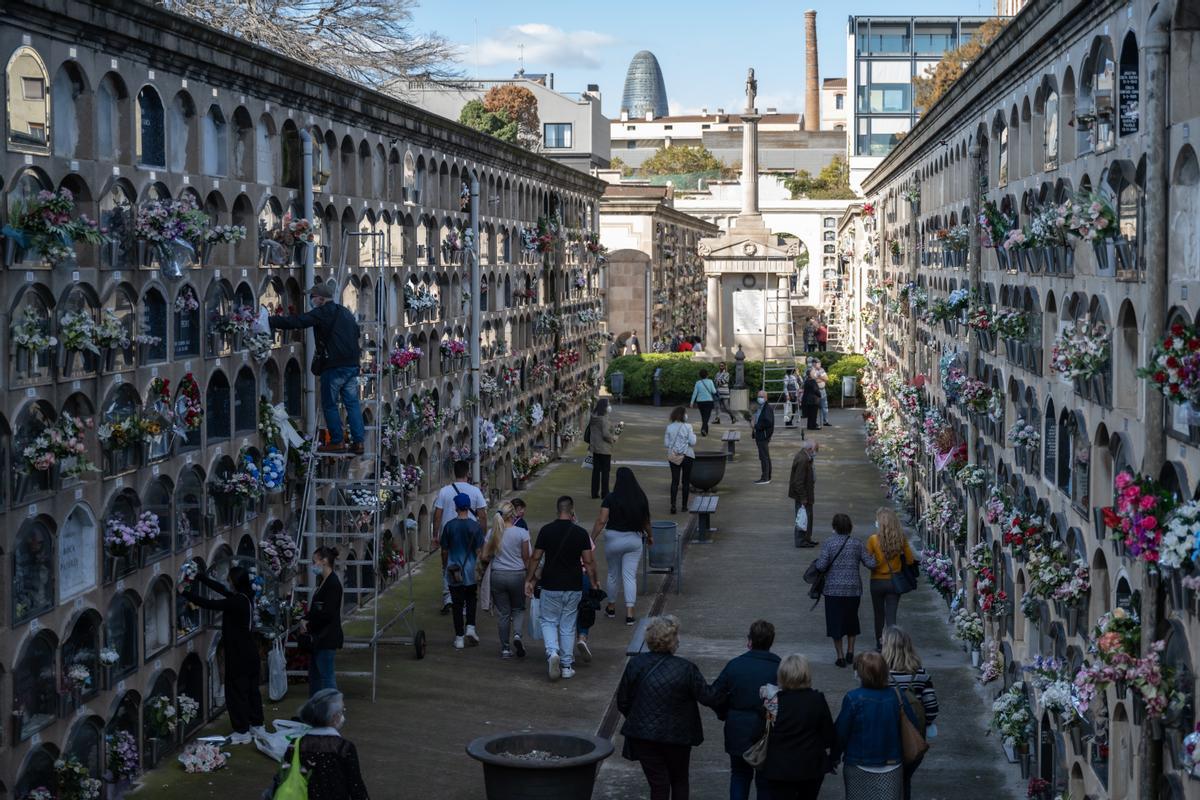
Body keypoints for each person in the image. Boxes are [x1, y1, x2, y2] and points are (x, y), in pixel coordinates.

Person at [616, 615, 723, 800]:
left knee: (658, 784)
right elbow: (708, 696)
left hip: (644, 736)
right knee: (679, 779)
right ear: (673, 640)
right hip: (677, 736)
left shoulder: (636, 664)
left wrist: (640, 719)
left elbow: (623, 701)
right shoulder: (686, 668)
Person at [268, 281, 364, 455]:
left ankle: (337, 441)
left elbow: (299, 322)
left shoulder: (322, 313)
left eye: (312, 298)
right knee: (352, 404)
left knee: (329, 404)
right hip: (352, 365)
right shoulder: (345, 312)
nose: (311, 301)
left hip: (334, 366)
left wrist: (270, 320)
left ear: (320, 298)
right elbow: (356, 333)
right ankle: (358, 443)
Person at [181, 565, 264, 743]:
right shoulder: (245, 596)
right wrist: (200, 577)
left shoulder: (236, 602)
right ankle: (256, 724)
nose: (228, 582)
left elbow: (210, 604)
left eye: (229, 580)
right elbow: (221, 590)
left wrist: (184, 592)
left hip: (239, 655)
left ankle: (242, 731)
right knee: (251, 690)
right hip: (250, 653)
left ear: (235, 582)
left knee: (236, 692)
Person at [525, 496, 598, 681]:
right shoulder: (581, 533)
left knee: (548, 621)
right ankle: (566, 666)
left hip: (551, 584)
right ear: (572, 511)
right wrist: (593, 582)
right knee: (567, 624)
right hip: (573, 585)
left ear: (558, 511)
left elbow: (535, 557)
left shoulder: (546, 531)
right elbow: (588, 561)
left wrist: (529, 579)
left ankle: (552, 652)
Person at [711, 620, 781, 800]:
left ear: (750, 640)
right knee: (765, 781)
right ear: (771, 641)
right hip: (768, 730)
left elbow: (714, 694)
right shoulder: (779, 667)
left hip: (738, 727)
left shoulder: (735, 665)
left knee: (740, 775)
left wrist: (725, 712)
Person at [835, 652, 919, 799]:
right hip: (892, 764)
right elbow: (913, 726)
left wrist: (834, 757)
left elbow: (840, 733)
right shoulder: (897, 696)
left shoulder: (853, 698)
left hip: (858, 764)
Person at [265, 689, 369, 800]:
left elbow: (282, 777)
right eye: (342, 711)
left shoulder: (297, 744)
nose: (342, 715)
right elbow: (356, 786)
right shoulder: (344, 747)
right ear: (334, 717)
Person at [759, 654, 836, 800]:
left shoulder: (773, 703)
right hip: (810, 767)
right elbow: (828, 735)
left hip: (779, 768)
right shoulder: (817, 700)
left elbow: (759, 732)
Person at [811, 513, 877, 667]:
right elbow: (871, 563)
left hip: (833, 589)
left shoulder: (829, 543)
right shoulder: (857, 543)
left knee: (835, 622)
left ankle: (840, 656)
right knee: (851, 620)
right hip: (853, 589)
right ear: (850, 527)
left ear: (834, 527)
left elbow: (821, 566)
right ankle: (850, 651)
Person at [882, 626, 939, 800]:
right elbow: (932, 709)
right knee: (905, 780)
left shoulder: (881, 675)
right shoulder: (920, 674)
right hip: (913, 738)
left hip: (885, 737)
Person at [590, 466, 652, 625]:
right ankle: (630, 613)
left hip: (614, 540)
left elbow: (601, 521)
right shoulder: (640, 497)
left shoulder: (610, 498)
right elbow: (646, 522)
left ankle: (611, 607)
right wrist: (650, 536)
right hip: (634, 540)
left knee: (612, 574)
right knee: (629, 576)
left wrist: (592, 539)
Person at [433, 460, 487, 614]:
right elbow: (482, 516)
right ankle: (463, 599)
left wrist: (435, 535)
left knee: (448, 563)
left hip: (449, 532)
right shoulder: (475, 491)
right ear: (467, 473)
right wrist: (482, 536)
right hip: (469, 532)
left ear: (454, 473)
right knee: (467, 563)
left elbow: (437, 515)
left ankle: (448, 597)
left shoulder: (444, 491)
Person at [482, 501, 530, 658]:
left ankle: (505, 648)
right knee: (518, 608)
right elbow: (526, 557)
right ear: (513, 515)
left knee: (503, 613)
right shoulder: (522, 533)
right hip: (517, 574)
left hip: (498, 575)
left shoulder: (492, 533)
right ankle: (517, 634)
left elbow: (484, 556)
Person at [866, 508, 919, 650]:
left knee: (878, 615)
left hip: (877, 581)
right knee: (891, 617)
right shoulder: (900, 538)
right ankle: (891, 645)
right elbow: (909, 560)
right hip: (894, 582)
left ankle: (879, 643)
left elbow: (868, 560)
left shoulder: (873, 540)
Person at [442, 493, 485, 649]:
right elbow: (480, 551)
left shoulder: (449, 526)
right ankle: (471, 627)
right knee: (471, 599)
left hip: (454, 571)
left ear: (455, 507)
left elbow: (445, 550)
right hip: (471, 571)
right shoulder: (475, 527)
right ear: (469, 507)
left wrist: (444, 565)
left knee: (457, 604)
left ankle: (459, 637)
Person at [303, 546, 345, 695]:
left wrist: (309, 623)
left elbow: (327, 614)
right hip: (319, 637)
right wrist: (306, 619)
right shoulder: (324, 582)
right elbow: (317, 609)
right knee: (315, 677)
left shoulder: (332, 584)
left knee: (326, 677)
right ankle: (315, 711)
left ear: (324, 561)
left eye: (315, 562)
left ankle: (333, 712)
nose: (313, 565)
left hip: (326, 638)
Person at [664, 406, 697, 515]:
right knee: (686, 481)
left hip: (673, 456)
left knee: (675, 481)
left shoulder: (669, 427)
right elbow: (692, 442)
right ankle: (684, 506)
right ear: (684, 415)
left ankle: (673, 505)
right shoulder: (688, 426)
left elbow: (666, 444)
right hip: (687, 455)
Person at [788, 440, 817, 548]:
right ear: (809, 449)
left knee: (808, 517)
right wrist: (803, 497)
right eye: (814, 450)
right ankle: (801, 540)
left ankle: (806, 538)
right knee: (802, 518)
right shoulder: (803, 460)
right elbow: (798, 481)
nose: (815, 452)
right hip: (803, 495)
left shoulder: (806, 457)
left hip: (807, 493)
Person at [588, 398, 616, 499]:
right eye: (608, 404)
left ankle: (594, 493)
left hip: (595, 447)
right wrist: (612, 439)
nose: (609, 407)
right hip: (604, 449)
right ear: (604, 406)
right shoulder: (603, 419)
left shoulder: (593, 417)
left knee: (596, 471)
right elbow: (605, 434)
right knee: (605, 471)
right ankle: (605, 493)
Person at [752, 389, 775, 485]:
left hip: (763, 435)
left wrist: (756, 426)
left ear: (766, 398)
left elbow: (768, 422)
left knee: (764, 457)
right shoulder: (761, 407)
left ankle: (765, 477)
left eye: (761, 397)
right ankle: (767, 476)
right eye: (758, 396)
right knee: (765, 456)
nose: (759, 398)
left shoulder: (767, 408)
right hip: (760, 435)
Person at [690, 369, 718, 437]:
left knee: (703, 416)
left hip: (700, 402)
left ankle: (706, 430)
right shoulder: (710, 381)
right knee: (707, 416)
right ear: (707, 375)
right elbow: (714, 391)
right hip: (709, 401)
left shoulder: (698, 383)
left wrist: (691, 402)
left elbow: (695, 393)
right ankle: (703, 429)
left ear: (700, 376)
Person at [810, 359, 832, 426]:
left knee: (824, 406)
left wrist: (819, 377)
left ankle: (825, 421)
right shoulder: (811, 370)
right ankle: (815, 422)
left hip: (823, 390)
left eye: (820, 363)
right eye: (818, 363)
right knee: (815, 407)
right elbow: (812, 379)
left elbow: (826, 379)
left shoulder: (821, 370)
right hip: (815, 391)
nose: (820, 365)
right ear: (814, 364)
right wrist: (821, 379)